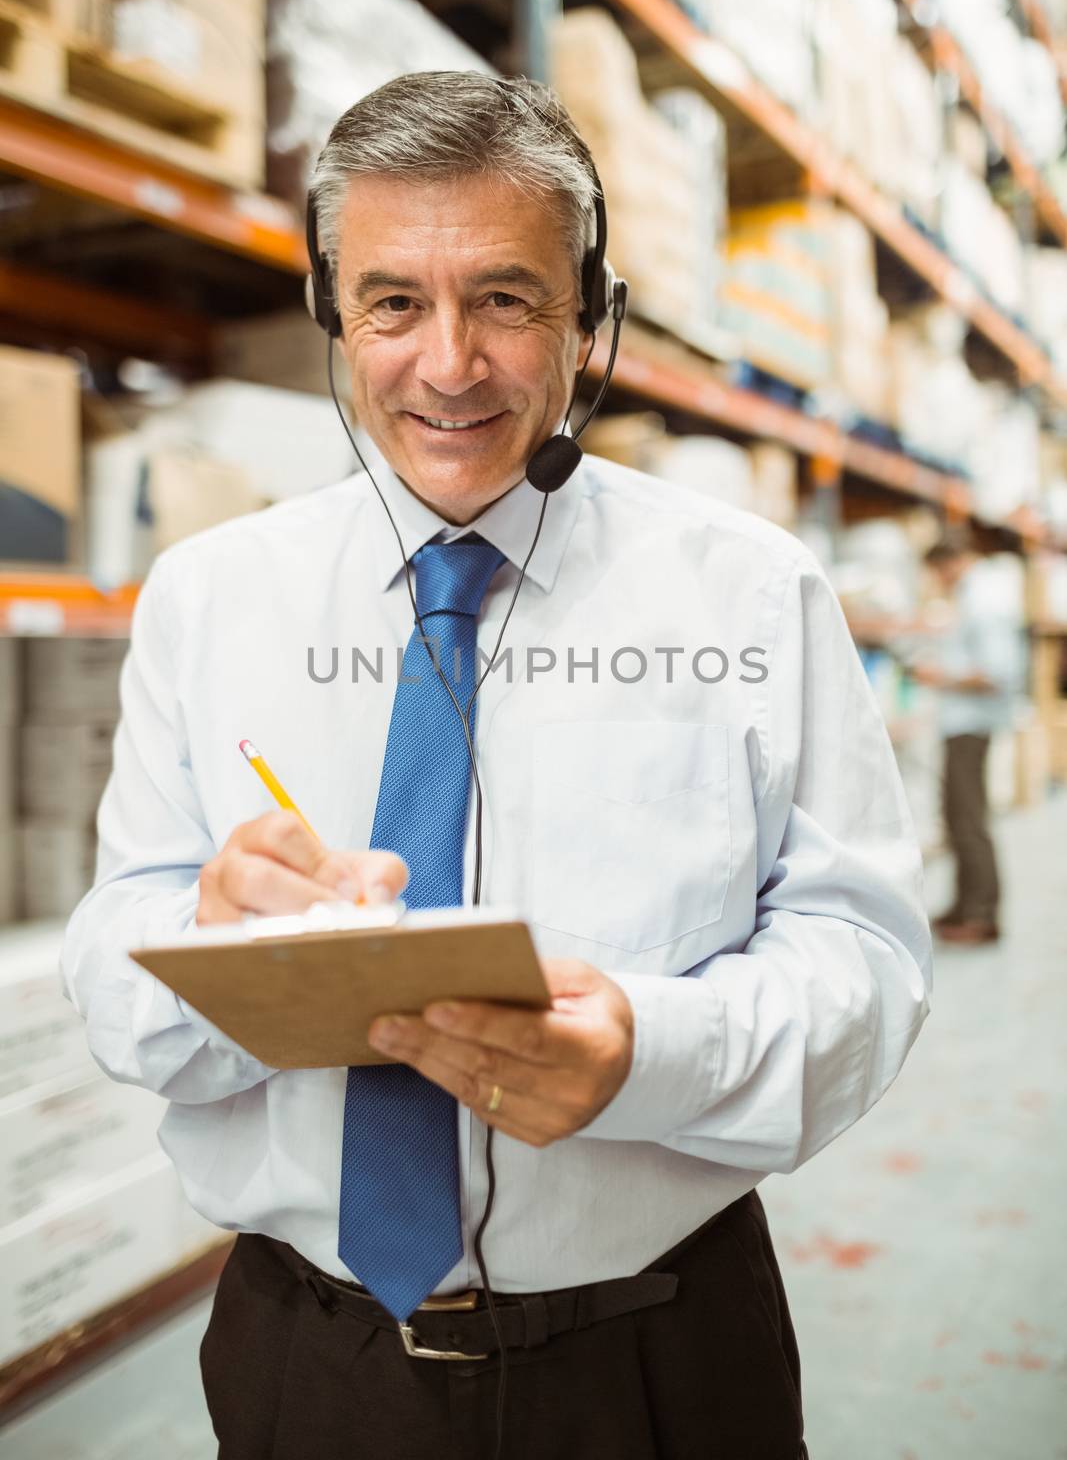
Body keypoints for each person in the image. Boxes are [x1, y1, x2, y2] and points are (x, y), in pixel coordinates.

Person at [61, 72, 932, 1460]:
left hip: (656, 1360)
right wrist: (208, 945)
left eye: (507, 300)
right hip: (312, 1361)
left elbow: (864, 962)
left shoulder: (750, 597)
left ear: (591, 318)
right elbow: (114, 969)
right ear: (331, 315)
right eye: (393, 301)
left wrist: (650, 1053)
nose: (449, 363)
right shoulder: (211, 597)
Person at [910, 530, 1026, 945]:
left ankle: (981, 915)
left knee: (970, 820)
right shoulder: (975, 596)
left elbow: (998, 672)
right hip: (961, 724)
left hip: (971, 725)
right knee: (957, 816)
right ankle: (963, 906)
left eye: (938, 572)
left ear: (951, 562)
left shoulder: (985, 601)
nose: (938, 581)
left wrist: (937, 678)